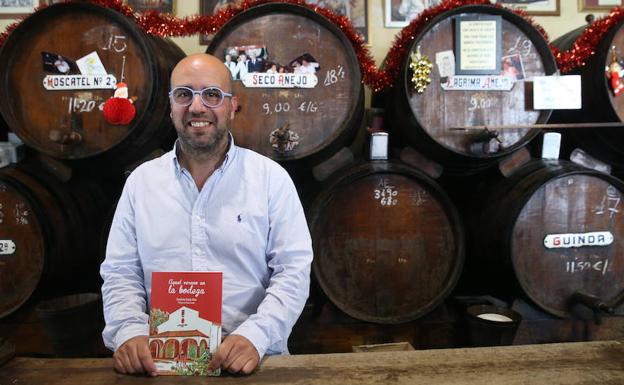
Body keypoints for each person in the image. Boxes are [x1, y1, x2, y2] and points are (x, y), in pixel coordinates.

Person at [100, 53, 313, 376]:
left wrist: (255, 335)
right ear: (170, 105)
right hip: (161, 363)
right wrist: (129, 331)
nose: (197, 107)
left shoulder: (270, 179)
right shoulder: (141, 183)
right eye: (184, 95)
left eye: (212, 95)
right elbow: (120, 271)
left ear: (231, 105)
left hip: (253, 362)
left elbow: (293, 271)